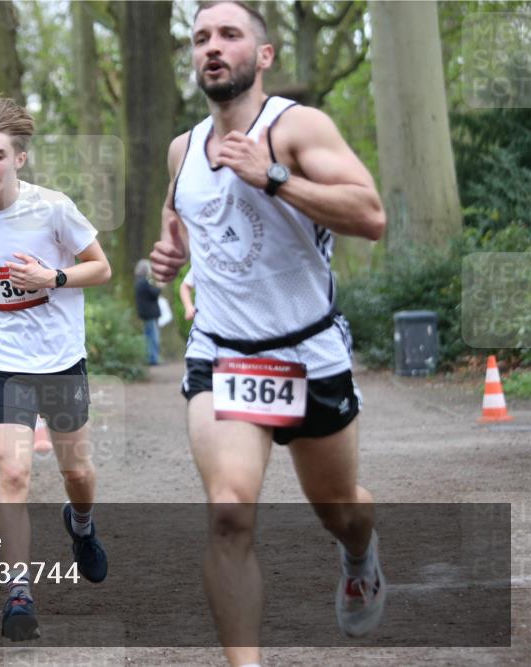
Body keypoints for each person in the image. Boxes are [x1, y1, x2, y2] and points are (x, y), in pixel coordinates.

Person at [148, 3, 387, 665]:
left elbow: (370, 214)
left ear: (265, 54)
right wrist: (168, 257)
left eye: (229, 35)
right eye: (200, 39)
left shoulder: (295, 127)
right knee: (229, 511)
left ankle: (359, 551)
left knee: (341, 508)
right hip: (224, 354)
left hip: (308, 351)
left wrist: (273, 176)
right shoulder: (184, 147)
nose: (212, 48)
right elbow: (184, 226)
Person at [0, 95, 112, 641]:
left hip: (61, 360)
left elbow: (102, 268)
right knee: (13, 473)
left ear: (19, 158)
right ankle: (18, 591)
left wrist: (55, 279)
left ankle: (82, 525)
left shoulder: (54, 209)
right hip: (4, 363)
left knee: (76, 474)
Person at [134, 259, 163, 365]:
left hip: (146, 314)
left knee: (149, 336)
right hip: (149, 314)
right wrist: (159, 286)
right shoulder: (143, 282)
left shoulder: (140, 281)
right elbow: (154, 293)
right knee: (153, 337)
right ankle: (153, 359)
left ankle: (151, 358)